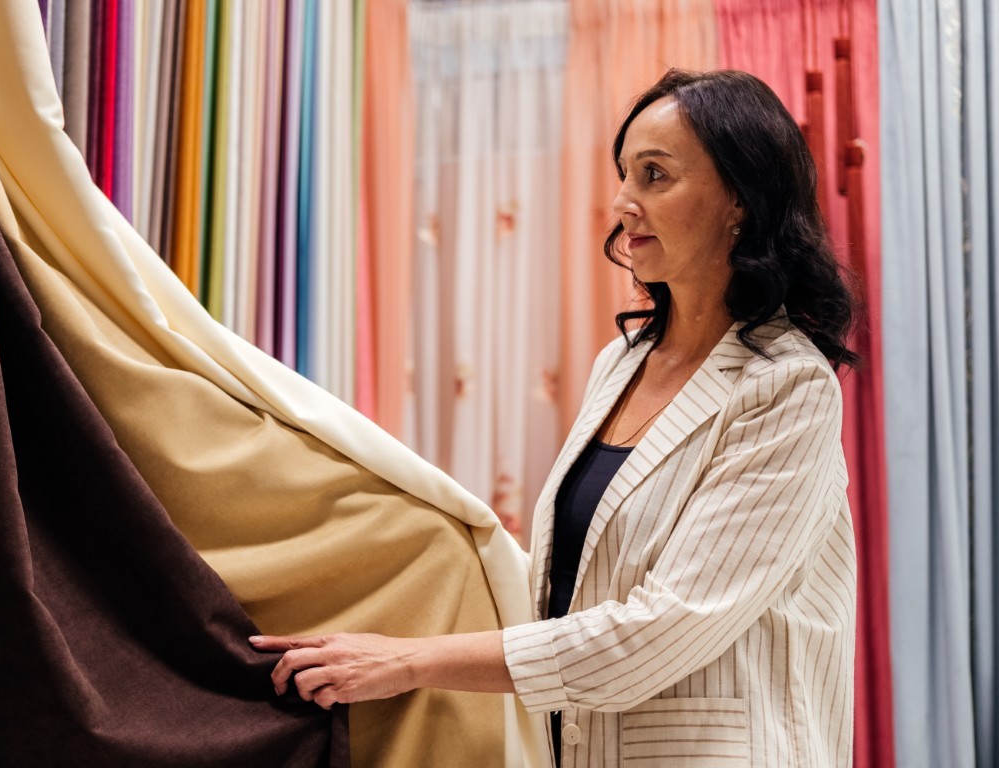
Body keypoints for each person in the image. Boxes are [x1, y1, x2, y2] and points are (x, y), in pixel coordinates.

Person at [251, 68, 858, 767]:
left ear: (739, 203)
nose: (624, 203)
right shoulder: (621, 363)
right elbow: (567, 584)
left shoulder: (788, 388)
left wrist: (410, 660)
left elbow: (662, 630)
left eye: (655, 175)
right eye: (624, 175)